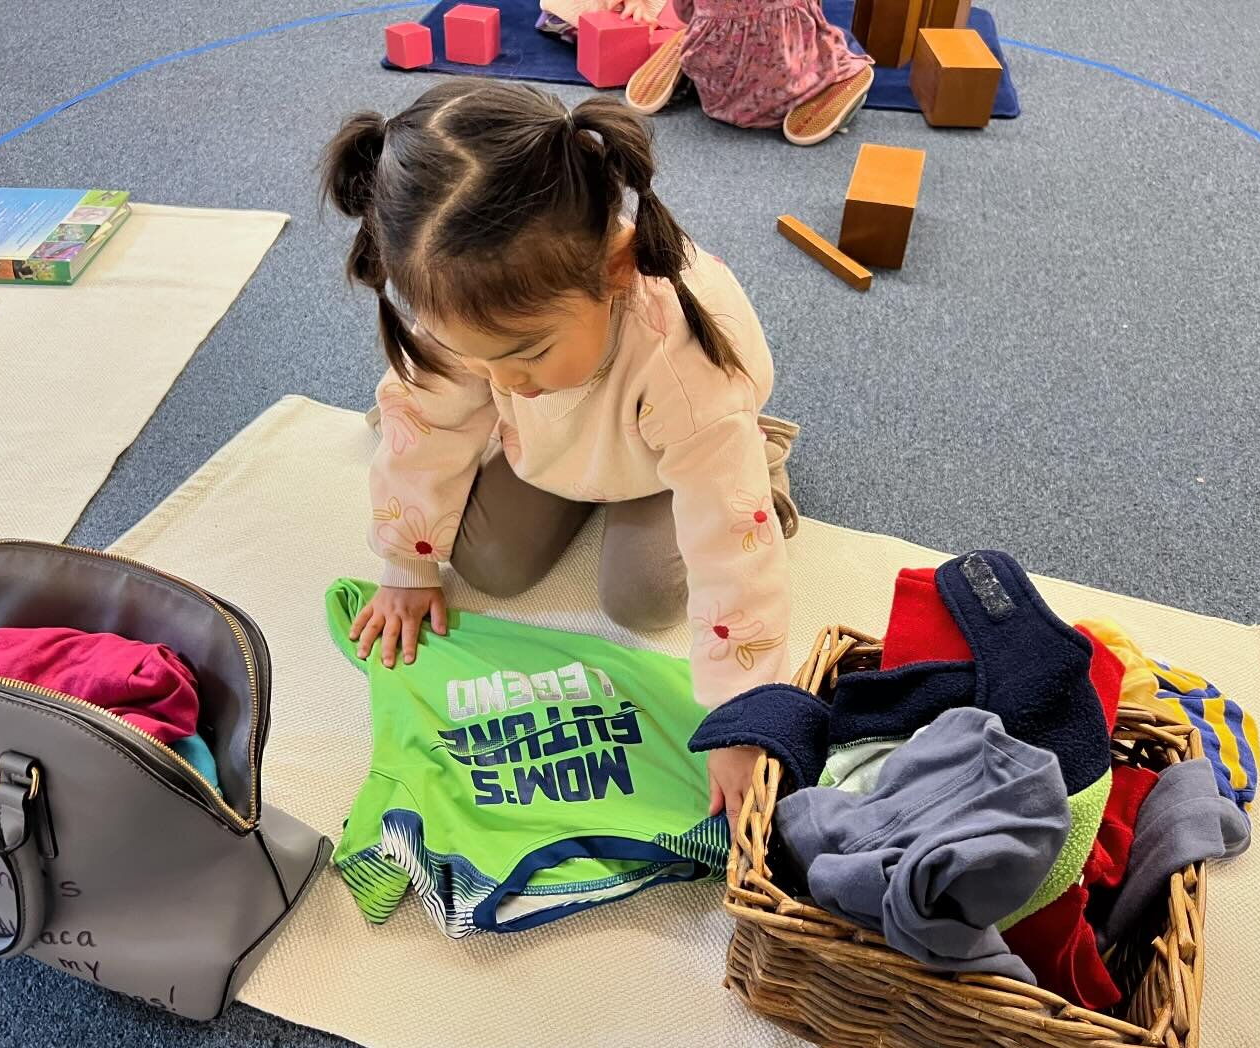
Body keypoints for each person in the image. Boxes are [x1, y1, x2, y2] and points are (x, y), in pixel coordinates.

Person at [321, 79, 796, 828]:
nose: (505, 381)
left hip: (663, 459)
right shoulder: (477, 320)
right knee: (487, 563)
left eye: (527, 353)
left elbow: (728, 550)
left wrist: (741, 716)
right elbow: (430, 419)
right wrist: (407, 565)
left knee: (641, 596)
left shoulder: (681, 364)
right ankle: (555, 440)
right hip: (557, 447)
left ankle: (761, 455)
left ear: (613, 267)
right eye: (484, 361)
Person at [624, 0, 875, 146]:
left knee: (705, 31)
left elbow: (684, 12)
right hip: (783, 78)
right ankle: (836, 81)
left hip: (715, 83)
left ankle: (698, 69)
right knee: (840, 43)